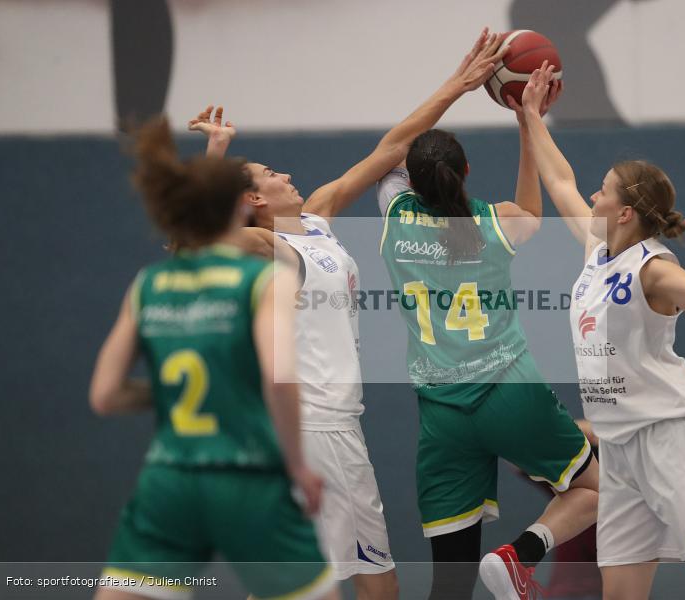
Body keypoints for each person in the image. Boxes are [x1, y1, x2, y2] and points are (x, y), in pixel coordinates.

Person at [186, 29, 508, 600]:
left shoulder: (314, 220)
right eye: (271, 174)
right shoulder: (268, 248)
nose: (286, 175)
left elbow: (393, 148)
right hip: (310, 427)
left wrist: (459, 84)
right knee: (317, 582)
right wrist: (215, 157)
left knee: (375, 581)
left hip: (340, 426)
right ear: (254, 200)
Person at [519, 63, 685, 600]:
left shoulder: (653, 268)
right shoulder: (596, 250)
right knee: (621, 593)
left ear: (625, 212)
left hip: (671, 440)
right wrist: (531, 114)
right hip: (619, 449)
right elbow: (559, 180)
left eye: (602, 191)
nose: (592, 196)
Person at [88, 117, 336, 600]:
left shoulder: (148, 285)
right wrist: (298, 465)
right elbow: (279, 378)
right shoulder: (263, 279)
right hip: (247, 477)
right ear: (242, 206)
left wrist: (164, 391)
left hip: (169, 479)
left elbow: (106, 395)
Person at [376, 77, 599, 600]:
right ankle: (519, 555)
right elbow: (533, 212)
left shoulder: (395, 215)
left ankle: (500, 565)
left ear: (413, 182)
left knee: (450, 585)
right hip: (510, 392)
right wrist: (525, 120)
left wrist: (459, 82)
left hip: (442, 418)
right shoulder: (495, 223)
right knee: (598, 490)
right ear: (467, 173)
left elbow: (391, 147)